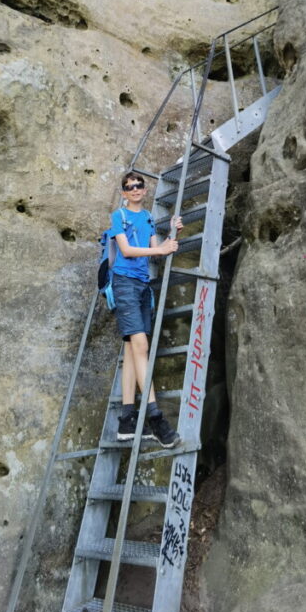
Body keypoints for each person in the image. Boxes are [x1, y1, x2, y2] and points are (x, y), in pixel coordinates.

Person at [109, 171, 182, 448]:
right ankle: (155, 417)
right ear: (124, 193)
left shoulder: (149, 217)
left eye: (139, 185)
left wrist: (172, 233)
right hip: (124, 283)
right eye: (130, 187)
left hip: (142, 285)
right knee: (141, 346)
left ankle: (127, 422)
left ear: (144, 188)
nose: (136, 189)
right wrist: (160, 252)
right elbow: (126, 251)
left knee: (131, 349)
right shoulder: (119, 216)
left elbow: (158, 247)